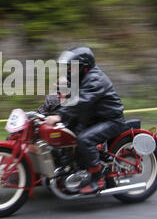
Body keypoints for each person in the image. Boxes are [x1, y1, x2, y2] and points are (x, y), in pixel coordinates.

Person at [45, 46, 128, 194]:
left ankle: (97, 177)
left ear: (83, 67)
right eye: (68, 68)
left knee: (84, 140)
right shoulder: (81, 76)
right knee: (64, 134)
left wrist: (59, 115)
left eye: (72, 68)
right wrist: (63, 86)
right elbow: (72, 88)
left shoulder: (95, 79)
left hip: (110, 120)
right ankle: (69, 170)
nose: (69, 70)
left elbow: (81, 101)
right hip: (91, 118)